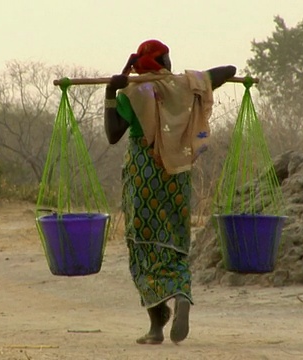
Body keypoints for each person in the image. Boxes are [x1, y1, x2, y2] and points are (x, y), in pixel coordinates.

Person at [103, 39, 236, 344]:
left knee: (144, 244)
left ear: (140, 64)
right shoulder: (185, 87)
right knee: (174, 239)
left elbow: (113, 135)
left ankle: (155, 327)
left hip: (143, 175)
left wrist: (113, 90)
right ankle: (182, 295)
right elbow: (229, 70)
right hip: (176, 176)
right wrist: (188, 78)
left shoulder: (135, 93)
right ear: (165, 62)